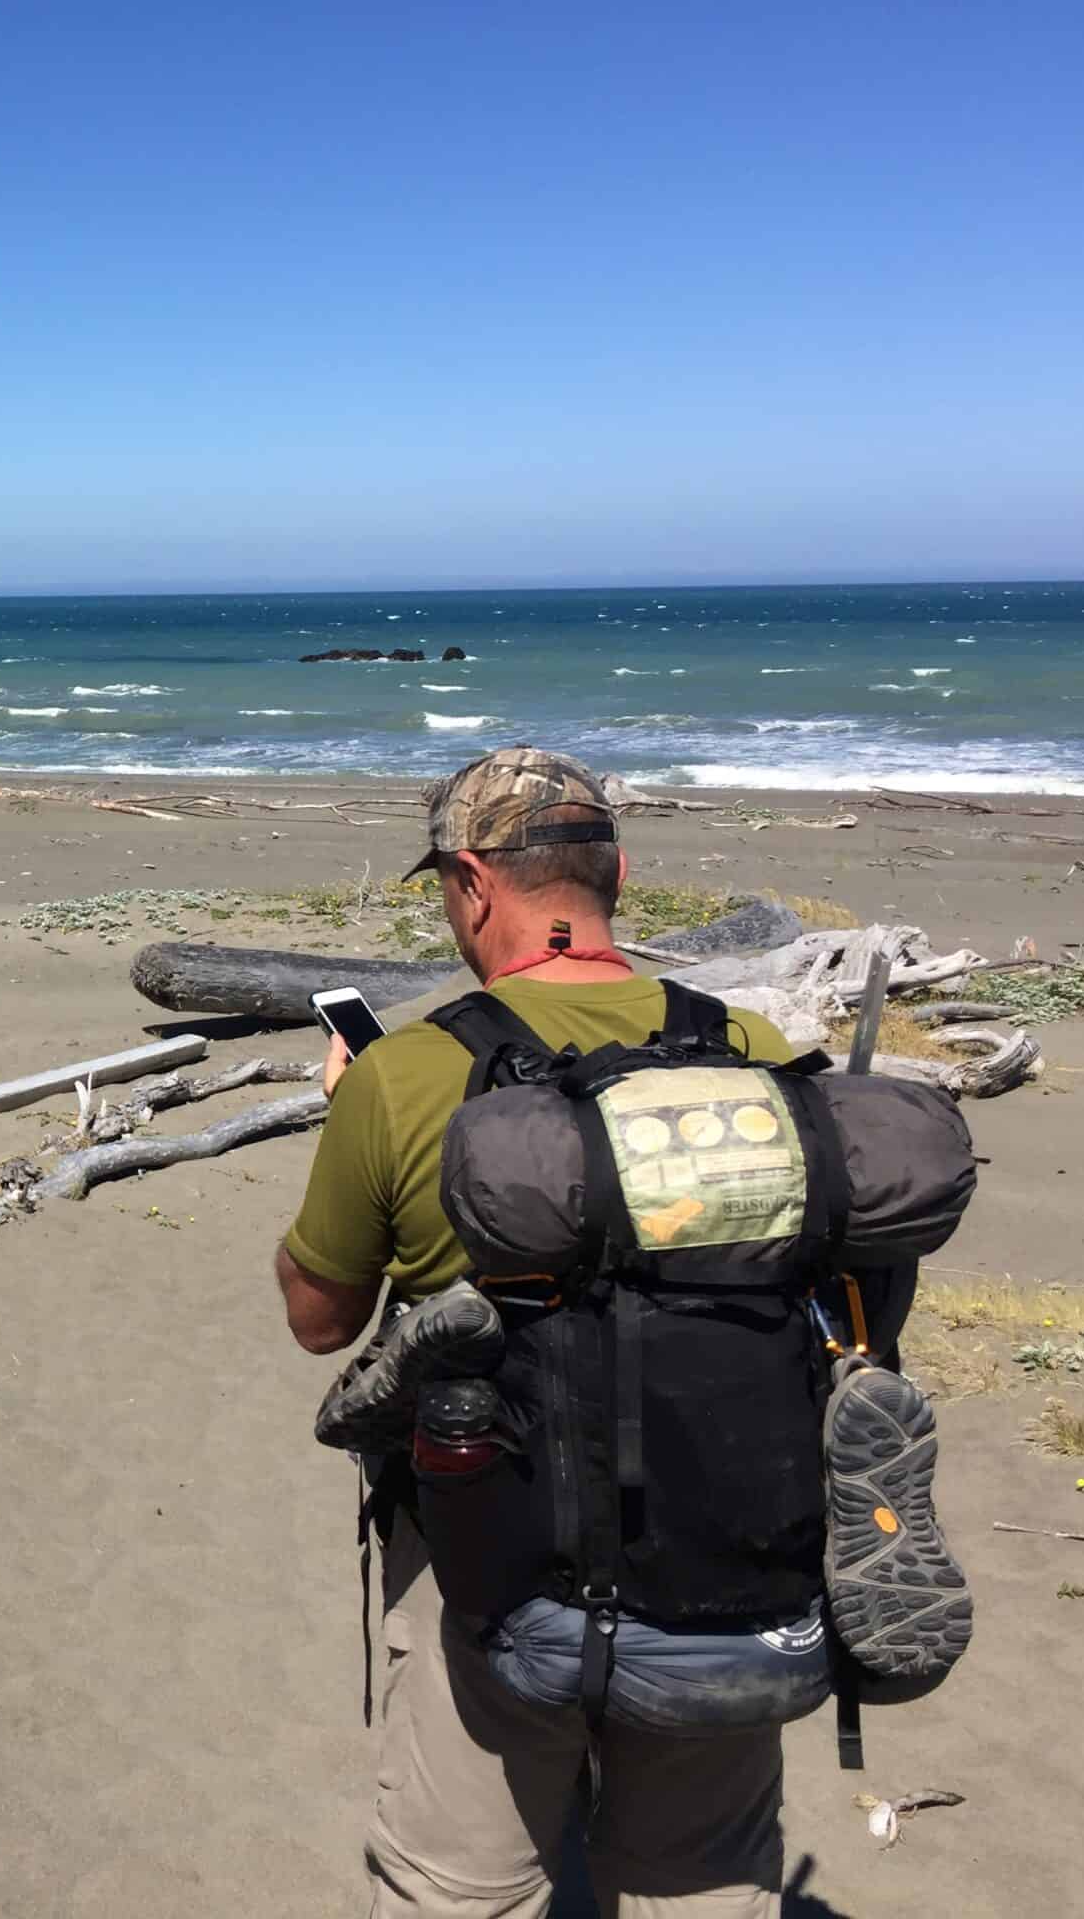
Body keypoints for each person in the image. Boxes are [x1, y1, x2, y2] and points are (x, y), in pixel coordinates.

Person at [278, 749, 802, 1919]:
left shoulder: (404, 1072)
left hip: (483, 1546)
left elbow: (320, 1321)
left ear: (471, 883)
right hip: (729, 1526)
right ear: (613, 871)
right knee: (704, 1881)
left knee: (460, 1885)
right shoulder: (753, 1051)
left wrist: (349, 1112)